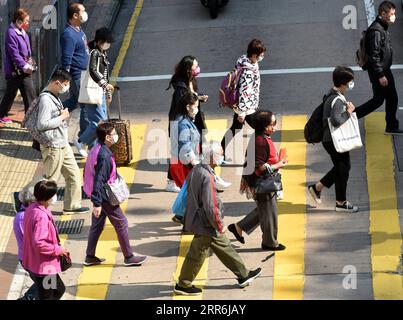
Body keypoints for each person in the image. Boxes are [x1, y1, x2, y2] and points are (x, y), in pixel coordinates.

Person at [174, 141, 262, 296]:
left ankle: (243, 275)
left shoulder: (197, 170)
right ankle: (184, 284)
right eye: (221, 154)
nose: (223, 156)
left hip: (198, 220)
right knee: (203, 252)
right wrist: (218, 224)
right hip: (206, 223)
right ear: (213, 158)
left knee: (214, 249)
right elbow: (210, 205)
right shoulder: (207, 176)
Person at [83, 122, 147, 267]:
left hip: (97, 194)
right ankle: (129, 257)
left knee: (97, 225)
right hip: (104, 196)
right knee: (121, 223)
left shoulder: (97, 148)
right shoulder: (104, 156)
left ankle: (89, 256)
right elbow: (99, 181)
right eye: (113, 134)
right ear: (106, 137)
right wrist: (97, 203)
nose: (116, 136)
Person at [166, 56, 230, 192]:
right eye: (195, 66)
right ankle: (177, 181)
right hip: (183, 123)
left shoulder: (191, 81)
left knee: (197, 148)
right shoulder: (180, 89)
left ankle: (211, 178)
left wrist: (199, 97)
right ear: (188, 70)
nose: (198, 68)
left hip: (194, 120)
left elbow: (192, 96)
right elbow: (184, 101)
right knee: (182, 152)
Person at [227, 111, 287, 251]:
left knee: (265, 210)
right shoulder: (260, 142)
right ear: (265, 127)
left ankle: (239, 228)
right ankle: (270, 243)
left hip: (263, 180)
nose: (275, 127)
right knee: (269, 213)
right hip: (263, 182)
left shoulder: (261, 136)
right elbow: (261, 167)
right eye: (273, 124)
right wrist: (278, 165)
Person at [37, 68, 89, 214]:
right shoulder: (46, 99)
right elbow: (42, 124)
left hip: (62, 144)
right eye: (65, 85)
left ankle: (72, 206)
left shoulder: (54, 95)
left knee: (73, 175)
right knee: (49, 181)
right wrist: (62, 117)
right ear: (57, 83)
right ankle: (33, 204)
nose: (66, 88)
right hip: (53, 146)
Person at [308, 66, 359, 213]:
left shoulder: (332, 94)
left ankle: (317, 188)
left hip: (329, 140)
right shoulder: (337, 100)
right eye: (350, 81)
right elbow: (336, 120)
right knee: (343, 168)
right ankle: (340, 202)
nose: (352, 83)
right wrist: (349, 112)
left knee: (341, 168)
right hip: (333, 140)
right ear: (343, 83)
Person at [355, 1, 403, 135]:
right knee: (378, 100)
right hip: (380, 71)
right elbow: (373, 56)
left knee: (391, 98)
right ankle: (350, 116)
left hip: (384, 69)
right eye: (392, 14)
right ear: (383, 14)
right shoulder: (376, 31)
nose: (394, 16)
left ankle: (392, 126)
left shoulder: (382, 27)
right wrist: (381, 75)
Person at [22, 180, 68, 300]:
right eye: (53, 195)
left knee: (58, 290)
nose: (55, 197)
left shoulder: (33, 208)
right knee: (49, 296)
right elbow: (39, 243)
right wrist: (58, 250)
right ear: (47, 198)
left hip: (39, 263)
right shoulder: (41, 216)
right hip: (45, 267)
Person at [220, 39, 266, 159]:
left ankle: (219, 152)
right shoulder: (248, 71)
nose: (263, 56)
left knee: (235, 129)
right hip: (247, 108)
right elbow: (244, 92)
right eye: (261, 54)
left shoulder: (247, 61)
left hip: (247, 105)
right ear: (254, 55)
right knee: (260, 130)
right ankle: (252, 156)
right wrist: (242, 112)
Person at [74, 27, 115, 157]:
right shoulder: (95, 53)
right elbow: (93, 71)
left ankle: (95, 148)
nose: (108, 44)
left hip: (100, 93)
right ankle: (81, 141)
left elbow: (106, 74)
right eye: (105, 42)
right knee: (99, 122)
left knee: (101, 122)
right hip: (93, 92)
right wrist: (104, 85)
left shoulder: (102, 53)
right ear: (99, 41)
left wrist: (107, 93)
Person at [0, 8, 36, 123]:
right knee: (10, 94)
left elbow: (27, 50)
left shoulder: (22, 31)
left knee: (30, 94)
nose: (28, 23)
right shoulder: (11, 33)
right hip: (15, 71)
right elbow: (14, 54)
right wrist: (25, 66)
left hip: (24, 69)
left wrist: (30, 62)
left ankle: (30, 117)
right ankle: (1, 114)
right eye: (26, 21)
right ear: (18, 21)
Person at [170, 91, 201, 223]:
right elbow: (185, 145)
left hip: (183, 161)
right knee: (192, 192)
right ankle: (187, 221)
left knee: (189, 191)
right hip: (184, 164)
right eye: (196, 106)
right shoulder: (183, 123)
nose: (197, 109)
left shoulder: (184, 119)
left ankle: (182, 216)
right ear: (188, 106)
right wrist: (194, 162)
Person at [60, 3, 90, 140]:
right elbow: (67, 58)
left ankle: (53, 113)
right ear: (75, 15)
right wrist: (66, 79)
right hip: (77, 75)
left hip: (84, 73)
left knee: (73, 102)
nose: (85, 13)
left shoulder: (78, 29)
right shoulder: (68, 34)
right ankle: (84, 137)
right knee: (85, 105)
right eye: (82, 11)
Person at [13, 179, 40, 300]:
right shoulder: (23, 217)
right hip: (32, 260)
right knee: (49, 284)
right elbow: (35, 241)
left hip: (37, 259)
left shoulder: (31, 212)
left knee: (49, 285)